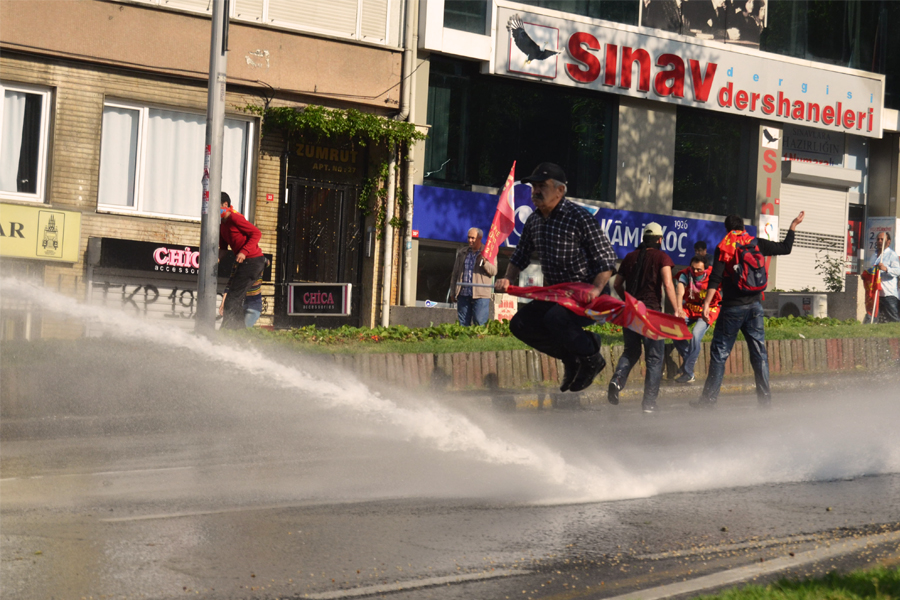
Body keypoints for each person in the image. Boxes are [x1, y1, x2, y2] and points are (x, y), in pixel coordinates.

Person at [494, 163, 617, 393]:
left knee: (555, 319)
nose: (536, 191)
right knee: (520, 324)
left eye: (542, 186)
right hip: (557, 295)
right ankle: (570, 358)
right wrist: (507, 279)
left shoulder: (579, 217)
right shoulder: (534, 221)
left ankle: (591, 356)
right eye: (534, 187)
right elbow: (520, 256)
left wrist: (596, 289)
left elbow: (606, 259)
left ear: (560, 191)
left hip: (588, 295)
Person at [693, 211, 805, 408]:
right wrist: (793, 225)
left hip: (732, 309)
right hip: (755, 307)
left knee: (720, 354)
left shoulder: (724, 247)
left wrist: (706, 304)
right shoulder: (756, 243)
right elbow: (786, 248)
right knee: (759, 353)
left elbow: (716, 279)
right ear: (743, 227)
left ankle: (708, 402)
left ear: (727, 228)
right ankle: (765, 402)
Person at [608, 223, 684, 413]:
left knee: (630, 352)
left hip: (631, 312)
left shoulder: (629, 257)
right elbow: (668, 284)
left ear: (643, 239)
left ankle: (617, 380)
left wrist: (628, 300)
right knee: (655, 359)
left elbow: (617, 284)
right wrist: (676, 310)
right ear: (660, 240)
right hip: (651, 314)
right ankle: (649, 404)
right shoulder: (662, 257)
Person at [219, 193, 266, 330]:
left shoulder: (235, 218)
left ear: (225, 205)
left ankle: (231, 333)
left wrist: (244, 251)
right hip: (246, 263)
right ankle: (238, 332)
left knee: (233, 300)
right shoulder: (222, 224)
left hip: (253, 261)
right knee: (233, 299)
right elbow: (223, 249)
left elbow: (257, 233)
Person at [672, 254, 721, 384]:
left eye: (699, 270)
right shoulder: (686, 274)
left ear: (705, 269)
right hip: (690, 307)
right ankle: (690, 357)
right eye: (693, 268)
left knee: (695, 335)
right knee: (674, 329)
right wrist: (678, 308)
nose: (695, 272)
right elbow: (680, 289)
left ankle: (688, 373)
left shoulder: (713, 276)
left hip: (708, 309)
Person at [450, 227, 497, 326]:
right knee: (463, 324)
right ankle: (464, 341)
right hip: (463, 294)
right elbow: (455, 274)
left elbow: (494, 271)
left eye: (473, 238)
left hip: (481, 295)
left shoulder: (488, 252)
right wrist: (453, 291)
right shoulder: (462, 253)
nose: (470, 240)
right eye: (469, 238)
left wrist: (485, 262)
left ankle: (479, 341)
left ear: (479, 238)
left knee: (479, 323)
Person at [219, 263, 265, 328]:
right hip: (240, 305)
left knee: (241, 332)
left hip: (252, 305)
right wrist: (223, 303)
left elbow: (267, 262)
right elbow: (229, 285)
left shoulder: (258, 261)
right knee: (232, 330)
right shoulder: (238, 263)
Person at [869, 231, 900, 323]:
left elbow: (898, 271)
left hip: (888, 293)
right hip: (876, 292)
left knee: (893, 319)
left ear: (888, 242)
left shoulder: (892, 255)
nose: (879, 241)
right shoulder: (874, 255)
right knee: (871, 318)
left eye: (882, 239)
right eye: (878, 239)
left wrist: (886, 269)